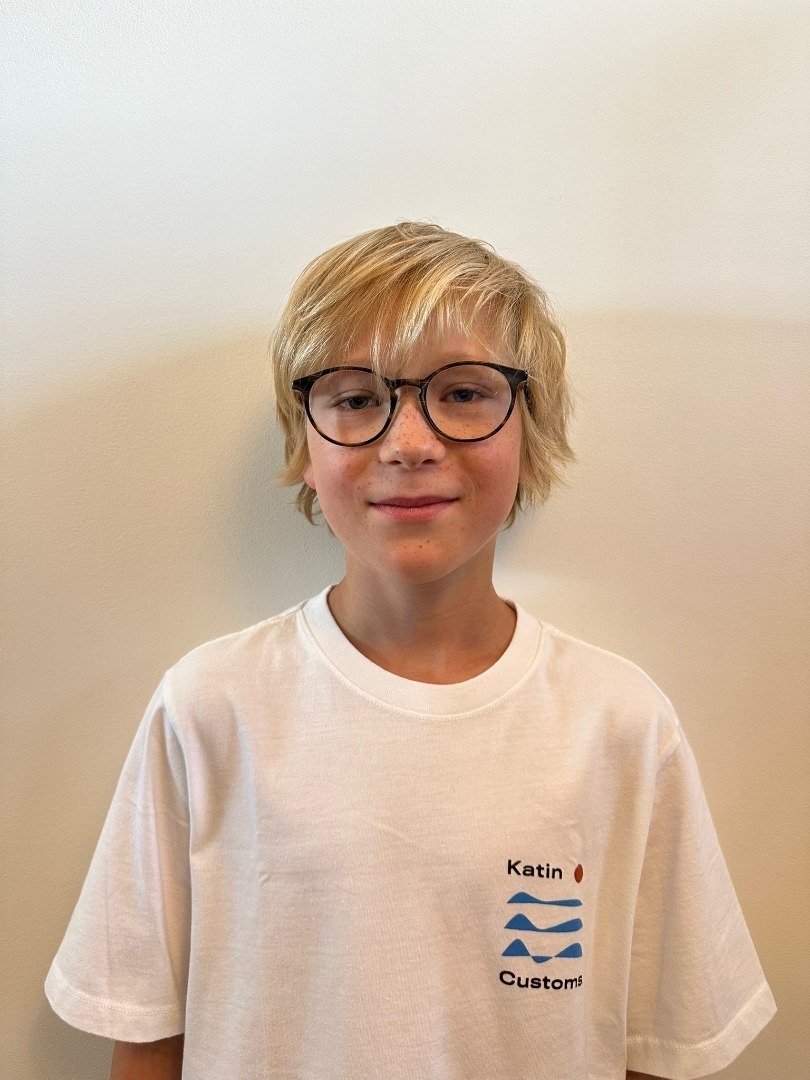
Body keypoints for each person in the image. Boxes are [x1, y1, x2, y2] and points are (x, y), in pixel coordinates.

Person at [45, 222, 776, 1080]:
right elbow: (147, 1037)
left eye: (463, 392)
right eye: (357, 398)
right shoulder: (211, 707)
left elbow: (658, 1048)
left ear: (529, 431)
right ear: (305, 445)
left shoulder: (620, 723)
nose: (409, 442)